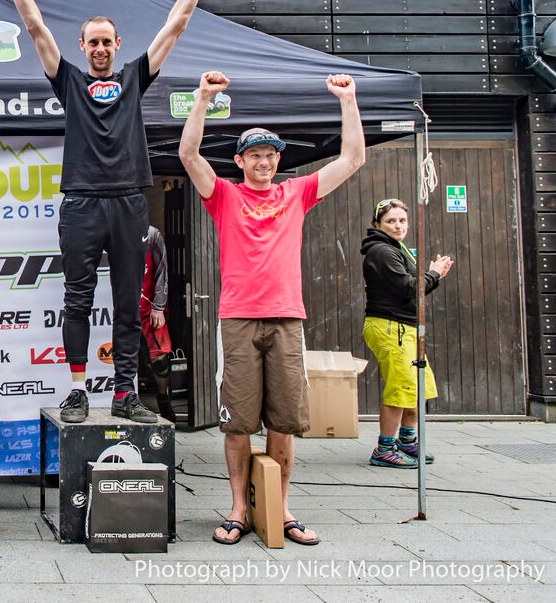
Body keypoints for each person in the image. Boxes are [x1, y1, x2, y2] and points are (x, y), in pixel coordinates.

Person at [0, 0, 213, 423]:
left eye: (106, 42)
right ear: (82, 45)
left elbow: (176, 25)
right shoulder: (69, 81)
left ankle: (124, 393)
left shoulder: (134, 77)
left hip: (128, 201)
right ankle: (76, 391)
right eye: (92, 42)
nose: (99, 48)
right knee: (77, 299)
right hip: (81, 203)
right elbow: (34, 26)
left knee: (127, 303)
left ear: (117, 45)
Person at [179, 70, 366, 547]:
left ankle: (280, 509)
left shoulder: (296, 192)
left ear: (279, 159)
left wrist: (347, 100)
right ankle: (239, 509)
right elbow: (188, 155)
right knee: (238, 422)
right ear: (240, 160)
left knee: (284, 421)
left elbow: (352, 158)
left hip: (286, 318)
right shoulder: (224, 195)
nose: (264, 161)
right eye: (255, 154)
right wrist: (203, 99)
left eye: (270, 154)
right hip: (238, 318)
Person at [361, 198, 453, 468]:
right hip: (392, 327)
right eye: (390, 221)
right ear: (378, 224)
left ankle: (407, 442)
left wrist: (435, 276)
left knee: (417, 387)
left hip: (405, 328)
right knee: (401, 389)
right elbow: (409, 288)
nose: (398, 225)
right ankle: (384, 449)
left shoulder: (395, 248)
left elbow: (415, 289)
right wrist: (433, 273)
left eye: (402, 220)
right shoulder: (382, 251)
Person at [140, 225, 175, 422]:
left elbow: (162, 270)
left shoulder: (152, 235)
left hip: (150, 309)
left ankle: (164, 400)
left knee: (160, 360)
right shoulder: (114, 229)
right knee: (122, 357)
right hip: (123, 310)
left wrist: (159, 306)